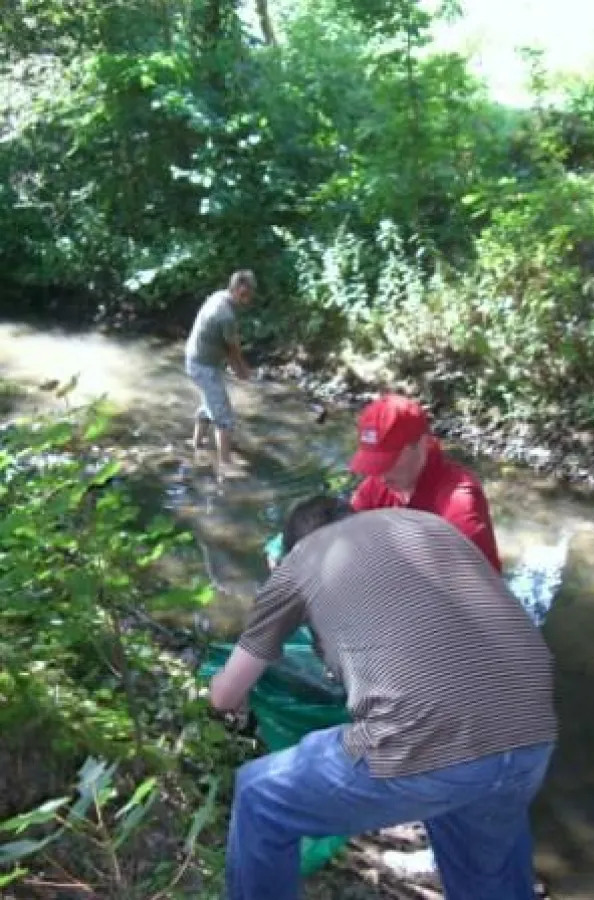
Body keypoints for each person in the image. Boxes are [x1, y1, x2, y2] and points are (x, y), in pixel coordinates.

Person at [211, 496, 557, 900]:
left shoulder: (300, 563)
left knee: (259, 795)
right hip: (530, 728)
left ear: (292, 546)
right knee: (483, 866)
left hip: (430, 742)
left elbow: (225, 694)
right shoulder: (424, 527)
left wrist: (224, 699)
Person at [349, 393, 502, 572]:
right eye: (375, 465)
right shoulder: (376, 486)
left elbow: (475, 590)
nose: (381, 477)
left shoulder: (458, 503)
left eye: (390, 461)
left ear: (422, 444)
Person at [185, 270, 255, 474]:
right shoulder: (226, 316)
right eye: (243, 294)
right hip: (203, 366)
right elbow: (233, 349)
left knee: (210, 403)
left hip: (195, 359)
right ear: (234, 289)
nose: (247, 299)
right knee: (224, 417)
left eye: (249, 294)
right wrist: (242, 370)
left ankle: (196, 444)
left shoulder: (218, 296)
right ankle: (225, 464)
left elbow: (227, 347)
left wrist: (238, 368)